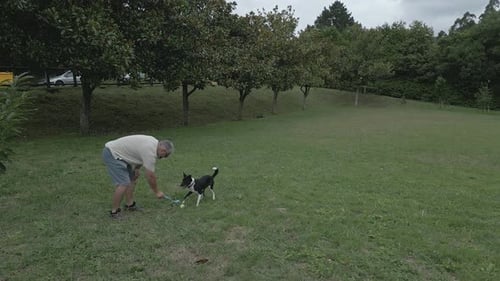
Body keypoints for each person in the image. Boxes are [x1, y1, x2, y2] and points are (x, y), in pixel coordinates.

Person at [102, 135, 174, 218]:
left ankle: (130, 205)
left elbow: (139, 154)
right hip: (112, 153)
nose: (160, 158)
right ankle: (114, 212)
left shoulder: (154, 142)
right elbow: (150, 176)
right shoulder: (150, 151)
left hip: (122, 154)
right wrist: (157, 192)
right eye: (162, 156)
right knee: (124, 183)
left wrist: (137, 169)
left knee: (132, 178)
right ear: (163, 150)